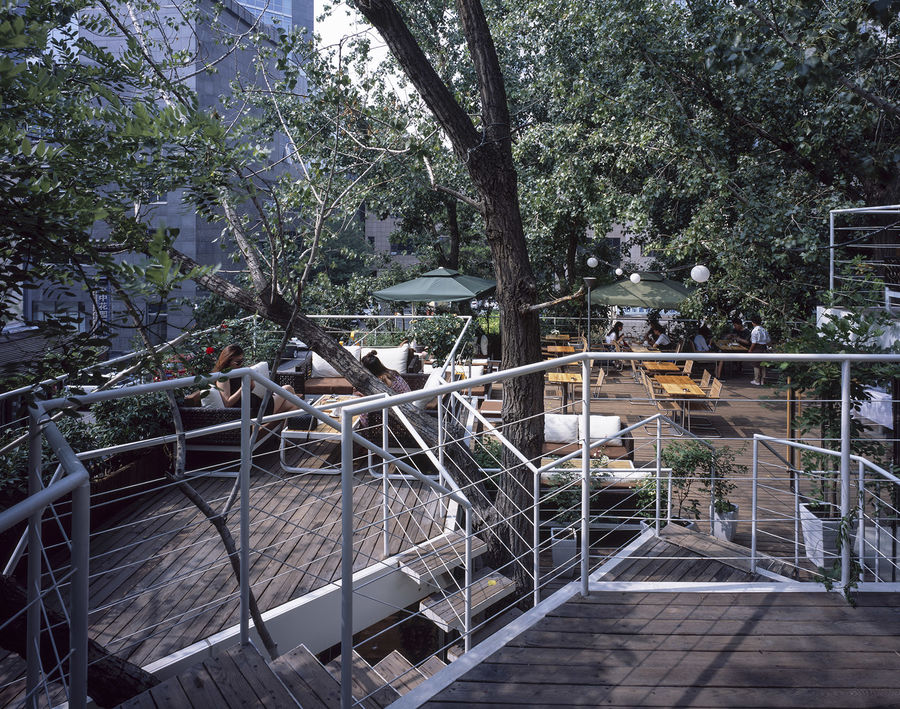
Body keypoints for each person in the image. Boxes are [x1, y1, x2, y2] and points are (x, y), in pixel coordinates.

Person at [212, 344, 298, 415]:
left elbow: (250, 389)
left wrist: (250, 380)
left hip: (256, 404)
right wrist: (243, 386)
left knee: (293, 405)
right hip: (254, 410)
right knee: (288, 389)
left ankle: (283, 434)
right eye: (238, 362)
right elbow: (227, 403)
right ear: (227, 361)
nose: (241, 364)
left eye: (243, 360)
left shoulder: (237, 372)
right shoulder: (223, 377)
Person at [358, 349, 411, 427]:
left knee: (363, 411)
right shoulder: (391, 373)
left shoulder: (383, 380)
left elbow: (376, 401)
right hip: (408, 404)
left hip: (400, 415)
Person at [748, 315, 771, 386]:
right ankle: (763, 380)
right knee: (763, 364)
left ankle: (757, 380)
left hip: (757, 348)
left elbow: (754, 342)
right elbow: (768, 340)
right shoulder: (764, 330)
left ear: (753, 322)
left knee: (756, 364)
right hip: (764, 347)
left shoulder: (754, 331)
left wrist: (750, 350)